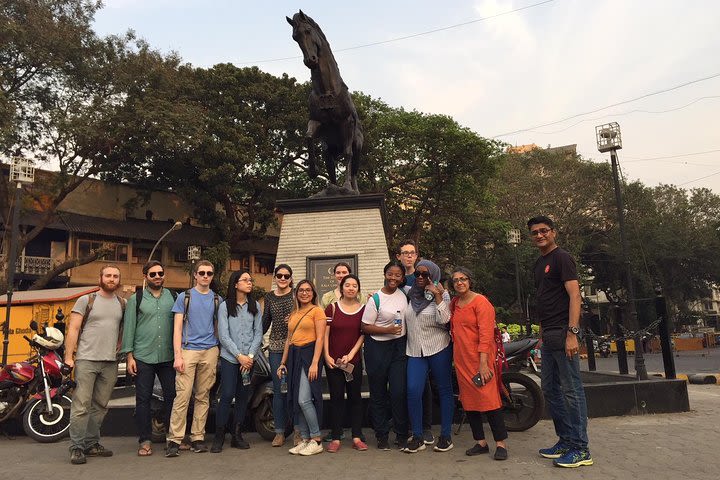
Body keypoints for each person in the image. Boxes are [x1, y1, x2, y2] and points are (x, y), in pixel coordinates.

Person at [528, 215, 592, 468]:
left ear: (553, 232)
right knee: (551, 390)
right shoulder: (538, 264)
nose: (540, 235)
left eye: (544, 231)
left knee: (571, 391)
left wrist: (572, 332)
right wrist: (542, 335)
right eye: (535, 232)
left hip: (565, 332)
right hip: (549, 335)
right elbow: (544, 300)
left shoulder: (562, 258)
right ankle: (565, 440)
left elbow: (575, 295)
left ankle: (581, 448)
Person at [64, 265, 126, 465]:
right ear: (101, 277)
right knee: (81, 405)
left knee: (100, 406)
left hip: (110, 361)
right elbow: (73, 329)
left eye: (115, 276)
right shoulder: (86, 300)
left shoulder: (122, 303)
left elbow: (123, 330)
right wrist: (68, 357)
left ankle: (91, 443)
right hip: (86, 359)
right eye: (108, 275)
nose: (112, 279)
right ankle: (76, 447)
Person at [449, 267, 509, 460]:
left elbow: (486, 335)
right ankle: (480, 442)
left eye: (463, 279)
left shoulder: (481, 302)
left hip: (481, 359)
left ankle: (501, 444)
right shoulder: (455, 303)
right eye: (456, 280)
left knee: (490, 401)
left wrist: (484, 364)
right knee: (470, 402)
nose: (459, 282)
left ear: (470, 281)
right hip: (462, 360)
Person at [165, 260, 221, 457]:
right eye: (202, 273)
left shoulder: (217, 299)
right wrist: (177, 355)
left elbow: (218, 326)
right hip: (188, 351)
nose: (206, 276)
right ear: (195, 275)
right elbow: (177, 328)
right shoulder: (184, 297)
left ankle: (198, 437)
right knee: (182, 395)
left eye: (209, 273)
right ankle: (174, 439)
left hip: (210, 350)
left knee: (203, 396)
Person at [121, 261, 176, 457]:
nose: (157, 276)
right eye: (153, 274)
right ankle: (145, 440)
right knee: (143, 400)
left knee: (172, 396)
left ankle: (174, 438)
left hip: (168, 356)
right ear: (145, 276)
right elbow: (129, 328)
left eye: (160, 273)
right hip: (143, 356)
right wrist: (129, 356)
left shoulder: (173, 297)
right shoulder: (136, 299)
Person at [404, 260, 454, 454]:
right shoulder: (411, 294)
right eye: (418, 274)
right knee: (413, 390)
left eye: (425, 274)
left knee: (444, 390)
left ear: (433, 275)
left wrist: (438, 295)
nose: (420, 278)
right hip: (415, 350)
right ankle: (417, 436)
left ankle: (446, 435)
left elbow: (445, 320)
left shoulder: (444, 294)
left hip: (438, 347)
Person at [211, 270, 263, 453]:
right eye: (245, 280)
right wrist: (239, 356)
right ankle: (219, 436)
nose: (249, 283)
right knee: (226, 395)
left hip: (249, 360)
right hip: (230, 359)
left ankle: (237, 434)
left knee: (243, 397)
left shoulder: (255, 305)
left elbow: (258, 333)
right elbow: (223, 335)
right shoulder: (225, 306)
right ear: (235, 284)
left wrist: (249, 356)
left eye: (250, 280)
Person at [361, 260, 410, 451]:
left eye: (398, 275)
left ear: (402, 277)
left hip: (398, 348)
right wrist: (387, 329)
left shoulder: (404, 294)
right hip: (377, 349)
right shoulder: (376, 299)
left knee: (398, 392)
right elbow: (365, 327)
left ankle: (401, 434)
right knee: (378, 393)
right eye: (391, 274)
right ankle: (381, 435)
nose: (394, 278)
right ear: (385, 274)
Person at [277, 280, 326, 456]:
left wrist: (314, 362)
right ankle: (305, 439)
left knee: (304, 399)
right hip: (294, 356)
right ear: (296, 293)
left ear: (313, 293)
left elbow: (320, 338)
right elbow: (289, 340)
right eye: (301, 290)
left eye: (308, 290)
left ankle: (316, 439)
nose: (304, 293)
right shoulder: (294, 313)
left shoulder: (317, 311)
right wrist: (283, 362)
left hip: (309, 354)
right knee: (297, 399)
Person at [396, 239, 434, 444]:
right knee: (407, 384)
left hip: (422, 336)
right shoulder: (396, 276)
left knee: (423, 383)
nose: (409, 256)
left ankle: (425, 427)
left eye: (412, 252)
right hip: (401, 336)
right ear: (398, 256)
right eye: (405, 252)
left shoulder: (423, 275)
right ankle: (409, 426)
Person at [323, 274, 367, 453]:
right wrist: (327, 355)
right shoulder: (331, 308)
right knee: (336, 399)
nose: (350, 288)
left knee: (355, 398)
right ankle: (335, 436)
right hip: (333, 362)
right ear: (341, 288)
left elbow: (362, 334)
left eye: (354, 285)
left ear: (358, 288)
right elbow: (325, 334)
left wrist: (350, 355)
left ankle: (356, 436)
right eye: (347, 285)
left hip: (352, 362)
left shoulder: (364, 309)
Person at [262, 264, 295, 447]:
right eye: (279, 276)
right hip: (276, 348)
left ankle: (299, 430)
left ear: (291, 278)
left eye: (286, 276)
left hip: (296, 346)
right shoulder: (269, 297)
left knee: (296, 389)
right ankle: (280, 432)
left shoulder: (297, 293)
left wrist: (295, 317)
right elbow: (265, 322)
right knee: (278, 389)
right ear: (275, 277)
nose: (283, 279)